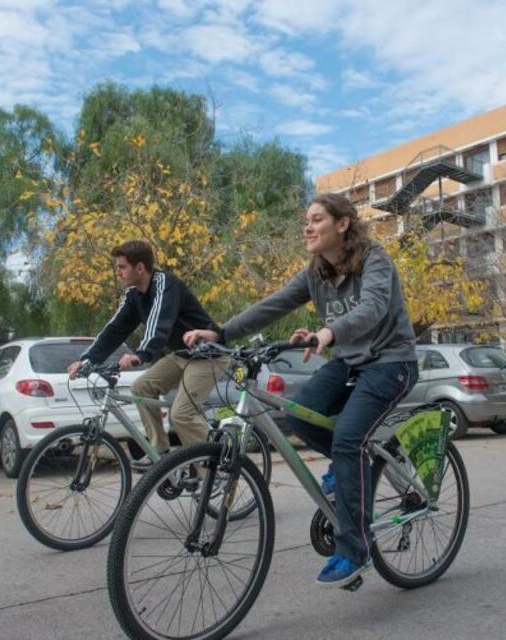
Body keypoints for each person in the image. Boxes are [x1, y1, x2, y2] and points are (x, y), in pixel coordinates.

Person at [184, 193, 418, 589]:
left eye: (316, 219)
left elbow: (374, 308)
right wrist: (221, 332)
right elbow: (274, 305)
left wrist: (328, 332)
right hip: (349, 361)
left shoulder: (375, 259)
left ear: (342, 224)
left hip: (391, 362)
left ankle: (354, 549)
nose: (307, 227)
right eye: (305, 221)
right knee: (296, 412)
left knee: (347, 440)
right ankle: (352, 469)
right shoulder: (315, 271)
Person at [68, 240, 228, 470]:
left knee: (181, 414)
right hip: (182, 355)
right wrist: (87, 360)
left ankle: (215, 470)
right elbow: (114, 329)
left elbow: (158, 325)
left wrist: (140, 355)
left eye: (122, 267)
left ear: (140, 268)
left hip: (209, 355)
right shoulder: (134, 295)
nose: (118, 272)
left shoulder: (165, 285)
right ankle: (160, 453)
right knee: (141, 388)